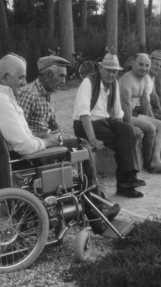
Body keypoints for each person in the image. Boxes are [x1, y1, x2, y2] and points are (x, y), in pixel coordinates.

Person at [17, 55, 120, 219]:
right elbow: (19, 131)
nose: (64, 81)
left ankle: (94, 201)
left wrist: (57, 137)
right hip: (36, 148)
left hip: (47, 144)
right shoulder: (30, 94)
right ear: (48, 75)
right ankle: (96, 206)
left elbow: (53, 124)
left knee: (81, 145)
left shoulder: (45, 93)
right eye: (61, 76)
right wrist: (46, 137)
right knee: (83, 147)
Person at [72, 53, 146, 198]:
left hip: (105, 121)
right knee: (119, 140)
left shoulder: (114, 84)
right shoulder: (89, 82)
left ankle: (130, 177)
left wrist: (127, 131)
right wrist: (92, 139)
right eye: (108, 70)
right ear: (100, 68)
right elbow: (84, 114)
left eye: (114, 71)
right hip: (86, 124)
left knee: (127, 130)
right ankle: (125, 184)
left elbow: (118, 113)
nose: (111, 74)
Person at [0, 54, 61, 155]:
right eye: (21, 77)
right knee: (76, 148)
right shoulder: (0, 101)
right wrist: (48, 141)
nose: (25, 83)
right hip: (19, 164)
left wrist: (36, 135)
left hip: (3, 161)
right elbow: (25, 147)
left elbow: (14, 137)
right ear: (5, 78)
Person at [118, 54, 161, 174]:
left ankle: (156, 160)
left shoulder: (143, 78)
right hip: (121, 115)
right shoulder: (127, 79)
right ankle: (149, 163)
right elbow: (125, 105)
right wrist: (130, 126)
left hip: (133, 112)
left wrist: (150, 118)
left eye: (147, 65)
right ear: (134, 64)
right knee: (150, 128)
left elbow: (144, 101)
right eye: (141, 64)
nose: (144, 68)